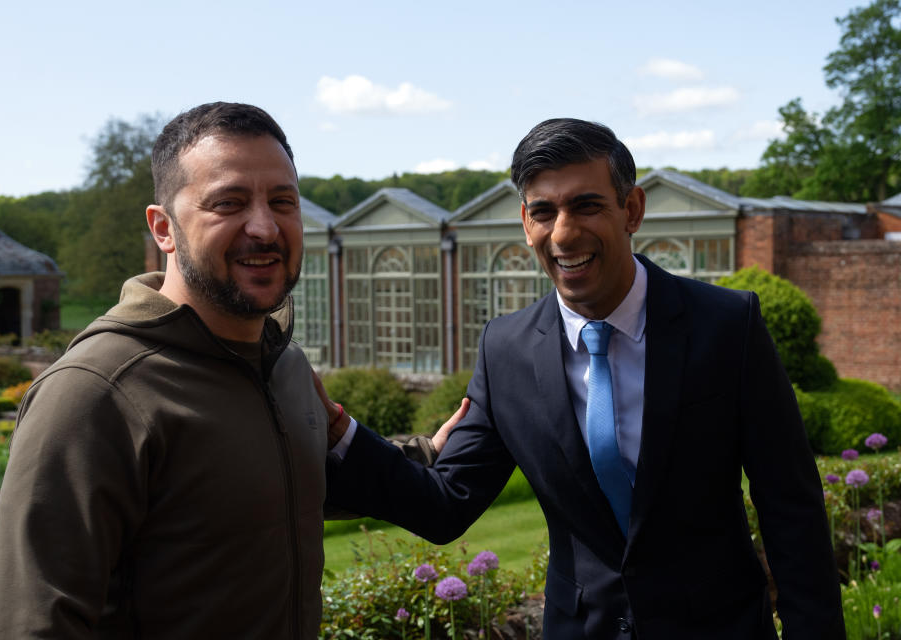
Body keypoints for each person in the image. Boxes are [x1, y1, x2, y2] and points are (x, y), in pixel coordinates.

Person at [324, 118, 845, 639]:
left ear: (632, 209)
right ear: (526, 223)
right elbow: (444, 504)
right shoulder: (504, 349)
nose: (564, 233)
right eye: (544, 212)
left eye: (587, 205)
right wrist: (342, 435)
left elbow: (790, 507)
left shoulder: (728, 326)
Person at [0, 102, 457, 639]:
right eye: (227, 203)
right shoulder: (96, 394)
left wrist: (428, 456)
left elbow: (282, 486)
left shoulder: (283, 364)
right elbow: (35, 625)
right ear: (163, 228)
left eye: (283, 202)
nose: (264, 227)